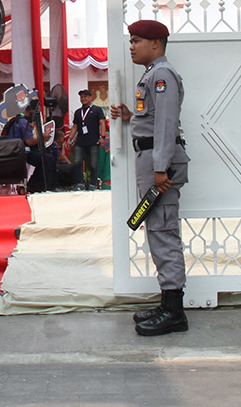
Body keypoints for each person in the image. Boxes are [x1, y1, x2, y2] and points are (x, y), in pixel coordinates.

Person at [111, 19, 190, 336]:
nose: (131, 46)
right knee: (158, 231)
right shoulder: (153, 75)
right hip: (153, 163)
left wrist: (160, 168)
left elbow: (167, 124)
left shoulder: (162, 76)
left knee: (163, 231)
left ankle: (174, 312)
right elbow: (155, 118)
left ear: (155, 43)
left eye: (137, 41)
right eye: (131, 41)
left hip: (161, 167)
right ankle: (167, 303)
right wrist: (132, 118)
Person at [71, 89, 105, 190]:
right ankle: (80, 184)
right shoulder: (78, 112)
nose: (83, 99)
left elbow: (102, 123)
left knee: (94, 163)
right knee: (77, 161)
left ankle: (93, 184)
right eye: (81, 97)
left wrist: (102, 137)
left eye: (85, 96)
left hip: (93, 141)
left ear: (90, 98)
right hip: (80, 141)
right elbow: (75, 126)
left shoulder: (97, 110)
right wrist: (69, 139)